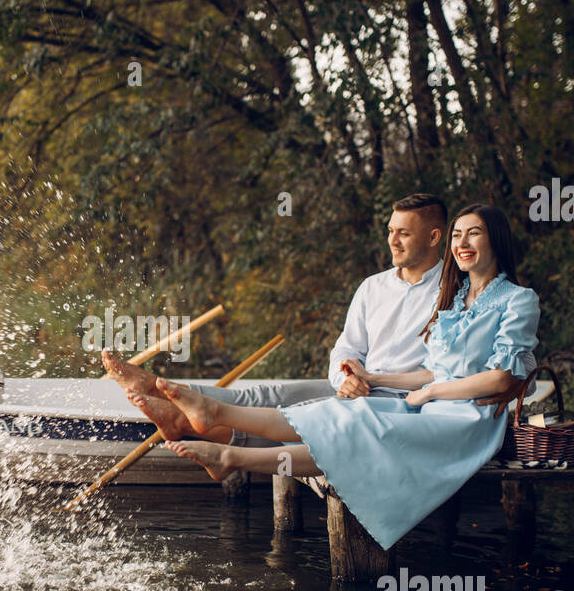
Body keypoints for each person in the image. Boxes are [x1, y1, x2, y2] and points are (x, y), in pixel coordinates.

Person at [132, 203, 540, 551]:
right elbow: (432, 371)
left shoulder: (518, 300)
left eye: (474, 234)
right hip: (432, 405)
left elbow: (503, 378)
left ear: (495, 240)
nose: (462, 244)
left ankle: (229, 449)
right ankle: (218, 418)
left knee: (362, 423)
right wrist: (376, 378)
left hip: (469, 420)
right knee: (336, 414)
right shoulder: (455, 301)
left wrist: (431, 391)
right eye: (458, 235)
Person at [102, 193, 528, 446]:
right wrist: (344, 374)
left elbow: (481, 356)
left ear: (434, 237)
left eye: (403, 232)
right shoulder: (373, 286)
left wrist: (510, 382)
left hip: (398, 398)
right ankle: (169, 393)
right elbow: (346, 347)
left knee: (305, 412)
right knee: (269, 392)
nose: (391, 239)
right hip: (359, 384)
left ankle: (195, 424)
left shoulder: (455, 289)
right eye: (390, 229)